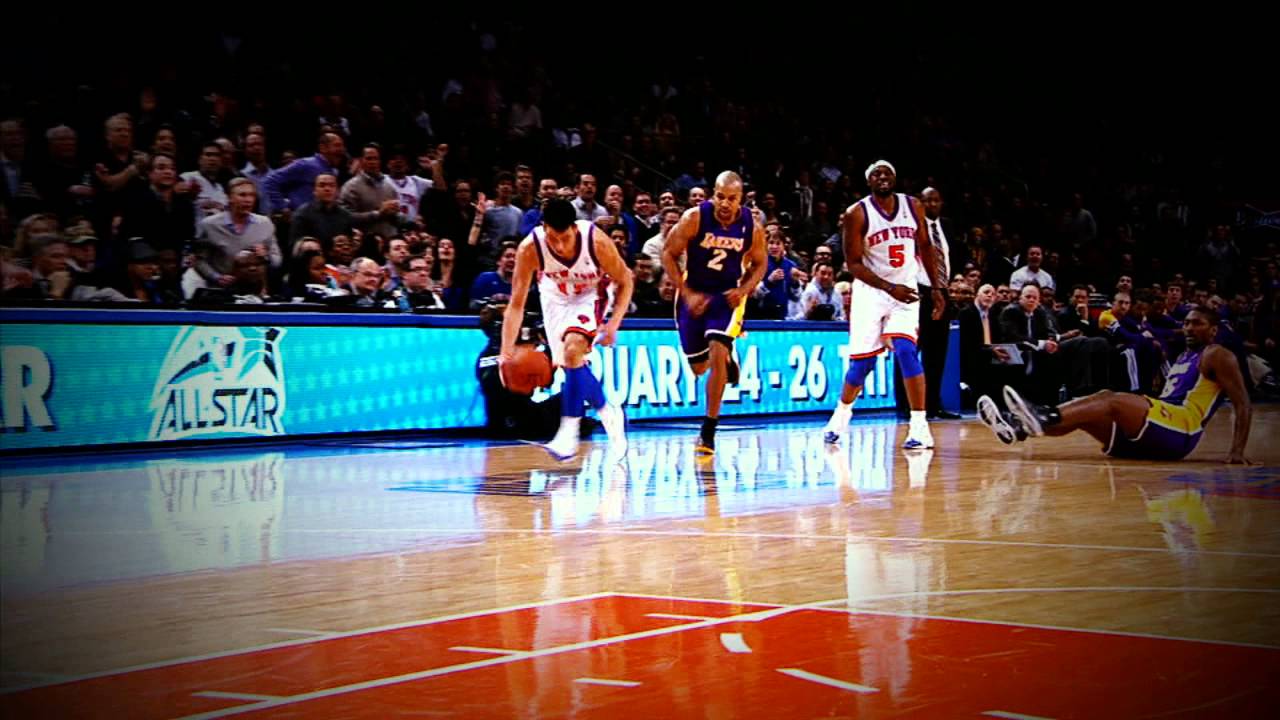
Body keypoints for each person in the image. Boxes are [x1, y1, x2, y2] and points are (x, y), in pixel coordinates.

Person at [977, 306, 1254, 463]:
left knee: (1108, 398)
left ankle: (1039, 415)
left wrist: (1237, 450)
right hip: (1158, 431)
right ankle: (1019, 428)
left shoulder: (1217, 354)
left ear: (1213, 330)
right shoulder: (1184, 355)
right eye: (1187, 323)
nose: (1189, 328)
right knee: (1085, 414)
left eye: (1197, 324)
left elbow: (1242, 402)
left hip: (1182, 428)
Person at [824, 160, 946, 449]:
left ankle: (919, 427)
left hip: (906, 288)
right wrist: (890, 288)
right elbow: (854, 264)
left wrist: (937, 287)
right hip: (871, 292)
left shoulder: (913, 206)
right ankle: (841, 415)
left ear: (895, 178)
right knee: (862, 365)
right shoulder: (856, 213)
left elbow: (925, 246)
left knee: (906, 351)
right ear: (869, 181)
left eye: (887, 172)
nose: (882, 177)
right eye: (876, 174)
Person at [500, 198, 633, 460]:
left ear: (574, 227)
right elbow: (516, 304)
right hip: (554, 295)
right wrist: (505, 353)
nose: (559, 246)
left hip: (591, 293)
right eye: (553, 238)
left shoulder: (596, 242)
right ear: (543, 228)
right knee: (571, 364)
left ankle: (568, 433)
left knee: (573, 351)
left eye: (565, 238)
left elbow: (626, 280)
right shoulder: (530, 248)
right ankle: (608, 411)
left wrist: (614, 323)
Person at [660, 171, 767, 454]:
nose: (725, 203)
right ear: (712, 195)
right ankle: (726, 357)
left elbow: (761, 263)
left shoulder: (752, 227)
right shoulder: (694, 218)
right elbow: (668, 254)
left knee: (718, 348)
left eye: (732, 198)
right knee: (699, 368)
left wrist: (744, 290)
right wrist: (686, 293)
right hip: (693, 292)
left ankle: (708, 432)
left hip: (726, 297)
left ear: (740, 200)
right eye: (720, 197)